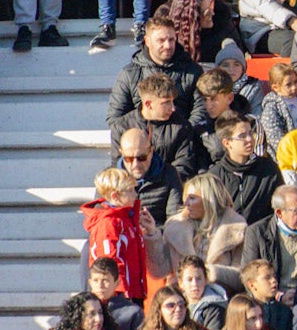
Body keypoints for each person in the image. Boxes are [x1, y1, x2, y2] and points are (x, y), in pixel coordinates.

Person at [154, 173, 246, 291]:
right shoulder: (175, 227)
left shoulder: (236, 228)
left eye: (192, 198)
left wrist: (211, 272)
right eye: (185, 198)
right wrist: (152, 235)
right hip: (181, 300)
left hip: (220, 298)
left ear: (210, 200)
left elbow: (242, 277)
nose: (186, 203)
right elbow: (159, 270)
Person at [106, 15, 205, 125]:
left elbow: (200, 112)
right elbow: (115, 119)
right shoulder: (129, 74)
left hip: (182, 138)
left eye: (171, 40)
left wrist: (181, 134)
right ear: (147, 41)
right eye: (161, 40)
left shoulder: (193, 71)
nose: (167, 45)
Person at [81, 167, 158, 302]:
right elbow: (109, 262)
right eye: (130, 191)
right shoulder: (109, 223)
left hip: (133, 290)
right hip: (119, 295)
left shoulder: (126, 219)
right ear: (115, 196)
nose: (135, 194)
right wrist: (120, 294)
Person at [241, 184, 297, 299]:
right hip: (270, 300)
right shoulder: (257, 232)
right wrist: (278, 296)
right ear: (279, 213)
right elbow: (248, 276)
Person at [108, 73, 194, 180]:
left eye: (173, 102)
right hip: (131, 188)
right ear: (148, 104)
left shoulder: (182, 127)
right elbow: (118, 165)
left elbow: (184, 165)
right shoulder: (121, 127)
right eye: (166, 103)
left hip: (167, 188)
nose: (173, 108)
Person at [208, 111, 281, 224]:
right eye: (242, 136)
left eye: (250, 133)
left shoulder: (269, 169)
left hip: (262, 237)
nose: (250, 139)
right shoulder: (214, 177)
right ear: (227, 143)